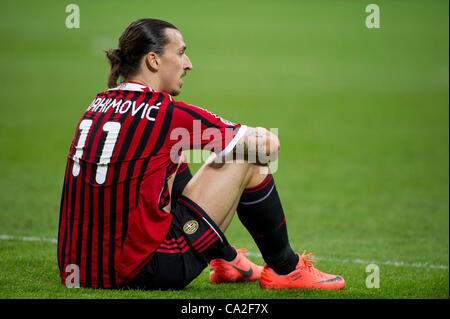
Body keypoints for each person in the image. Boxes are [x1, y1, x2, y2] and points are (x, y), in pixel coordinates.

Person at [57, 18, 345, 291]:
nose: (188, 64)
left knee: (172, 156)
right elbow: (269, 147)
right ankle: (286, 268)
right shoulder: (167, 114)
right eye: (181, 53)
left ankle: (227, 259)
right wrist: (242, 137)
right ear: (153, 60)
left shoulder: (97, 105)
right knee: (246, 157)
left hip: (79, 268)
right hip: (143, 269)